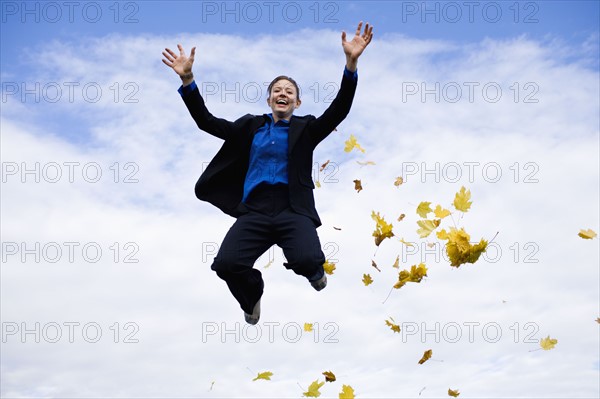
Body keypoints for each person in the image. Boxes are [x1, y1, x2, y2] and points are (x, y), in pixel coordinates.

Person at [162, 22, 373, 324]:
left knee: (307, 259)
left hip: (292, 209)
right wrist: (188, 80)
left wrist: (351, 64)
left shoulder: (307, 129)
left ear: (297, 102)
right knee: (226, 264)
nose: (282, 93)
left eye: (289, 91)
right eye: (277, 90)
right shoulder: (250, 126)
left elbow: (339, 109)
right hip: (255, 212)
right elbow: (206, 121)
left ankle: (314, 271)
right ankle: (251, 297)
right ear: (270, 100)